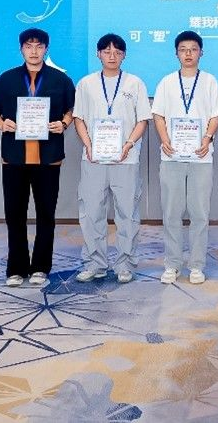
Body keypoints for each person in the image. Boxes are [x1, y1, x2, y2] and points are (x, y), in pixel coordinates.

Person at [0, 28, 75, 288]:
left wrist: (64, 124)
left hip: (48, 157)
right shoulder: (7, 78)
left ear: (46, 49)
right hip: (14, 157)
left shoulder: (60, 79)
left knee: (46, 214)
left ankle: (41, 267)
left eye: (39, 46)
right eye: (28, 46)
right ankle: (16, 267)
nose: (34, 51)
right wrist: (1, 124)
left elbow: (71, 110)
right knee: (14, 214)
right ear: (21, 49)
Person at [72, 33, 151, 284]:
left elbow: (142, 120)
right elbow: (78, 118)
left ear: (124, 55)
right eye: (107, 51)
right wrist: (88, 145)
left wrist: (128, 144)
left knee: (127, 213)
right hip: (93, 159)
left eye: (117, 52)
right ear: (98, 54)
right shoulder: (86, 84)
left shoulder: (135, 83)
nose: (112, 56)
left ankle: (125, 264)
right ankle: (94, 263)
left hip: (125, 159)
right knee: (91, 212)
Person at [151, 30, 218, 285]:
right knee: (171, 213)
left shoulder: (210, 81)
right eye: (183, 49)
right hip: (171, 156)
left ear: (201, 53)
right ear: (176, 53)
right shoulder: (166, 82)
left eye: (193, 49)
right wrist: (165, 139)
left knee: (199, 214)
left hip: (201, 157)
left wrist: (207, 138)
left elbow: (216, 114)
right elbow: (158, 115)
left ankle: (196, 265)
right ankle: (172, 264)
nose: (188, 54)